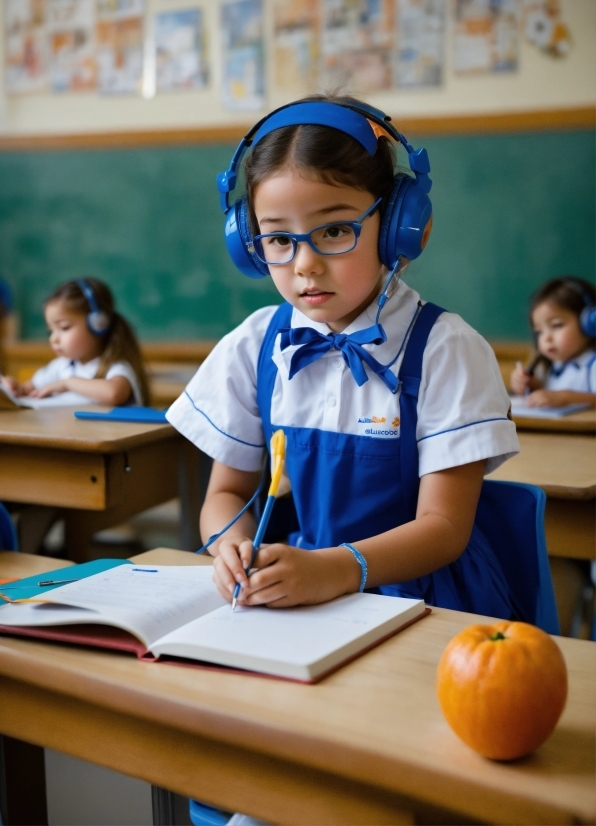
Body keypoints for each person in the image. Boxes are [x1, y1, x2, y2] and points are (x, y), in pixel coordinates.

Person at [167, 94, 520, 617]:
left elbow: (444, 529)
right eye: (279, 239)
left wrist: (337, 569)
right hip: (304, 596)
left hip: (426, 604)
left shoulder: (447, 349)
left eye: (334, 230)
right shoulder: (256, 344)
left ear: (399, 224)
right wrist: (230, 547)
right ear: (250, 242)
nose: (304, 265)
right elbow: (226, 493)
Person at [0, 278, 149, 406]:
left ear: (98, 324)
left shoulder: (114, 366)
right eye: (50, 331)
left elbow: (114, 394)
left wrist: (68, 383)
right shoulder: (61, 366)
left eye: (64, 328)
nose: (53, 339)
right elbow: (27, 389)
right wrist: (14, 387)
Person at [510, 276, 596, 408]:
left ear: (590, 323)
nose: (546, 338)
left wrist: (564, 397)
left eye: (556, 325)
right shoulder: (549, 366)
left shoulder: (592, 365)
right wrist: (530, 386)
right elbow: (547, 396)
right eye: (539, 331)